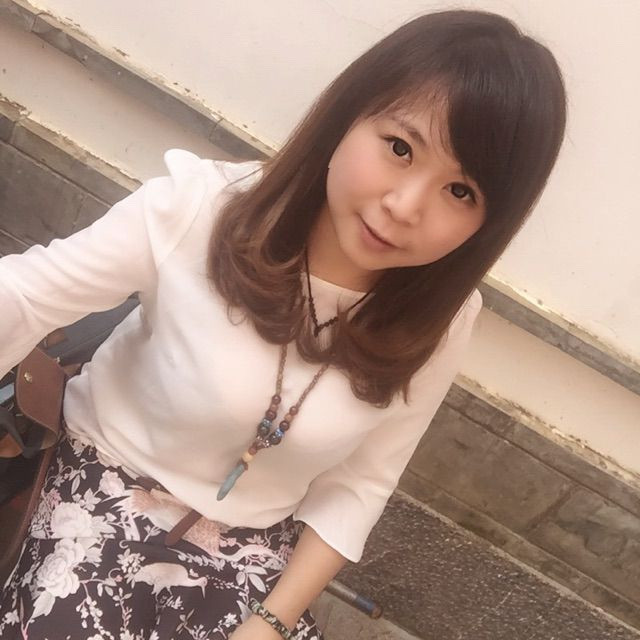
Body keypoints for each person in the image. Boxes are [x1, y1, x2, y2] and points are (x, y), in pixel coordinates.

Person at [0, 8, 566, 640]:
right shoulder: (199, 210)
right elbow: (25, 294)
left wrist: (270, 622)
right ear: (349, 114)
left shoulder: (443, 319)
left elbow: (360, 484)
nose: (404, 207)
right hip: (100, 482)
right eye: (400, 148)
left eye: (460, 192)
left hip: (253, 552)